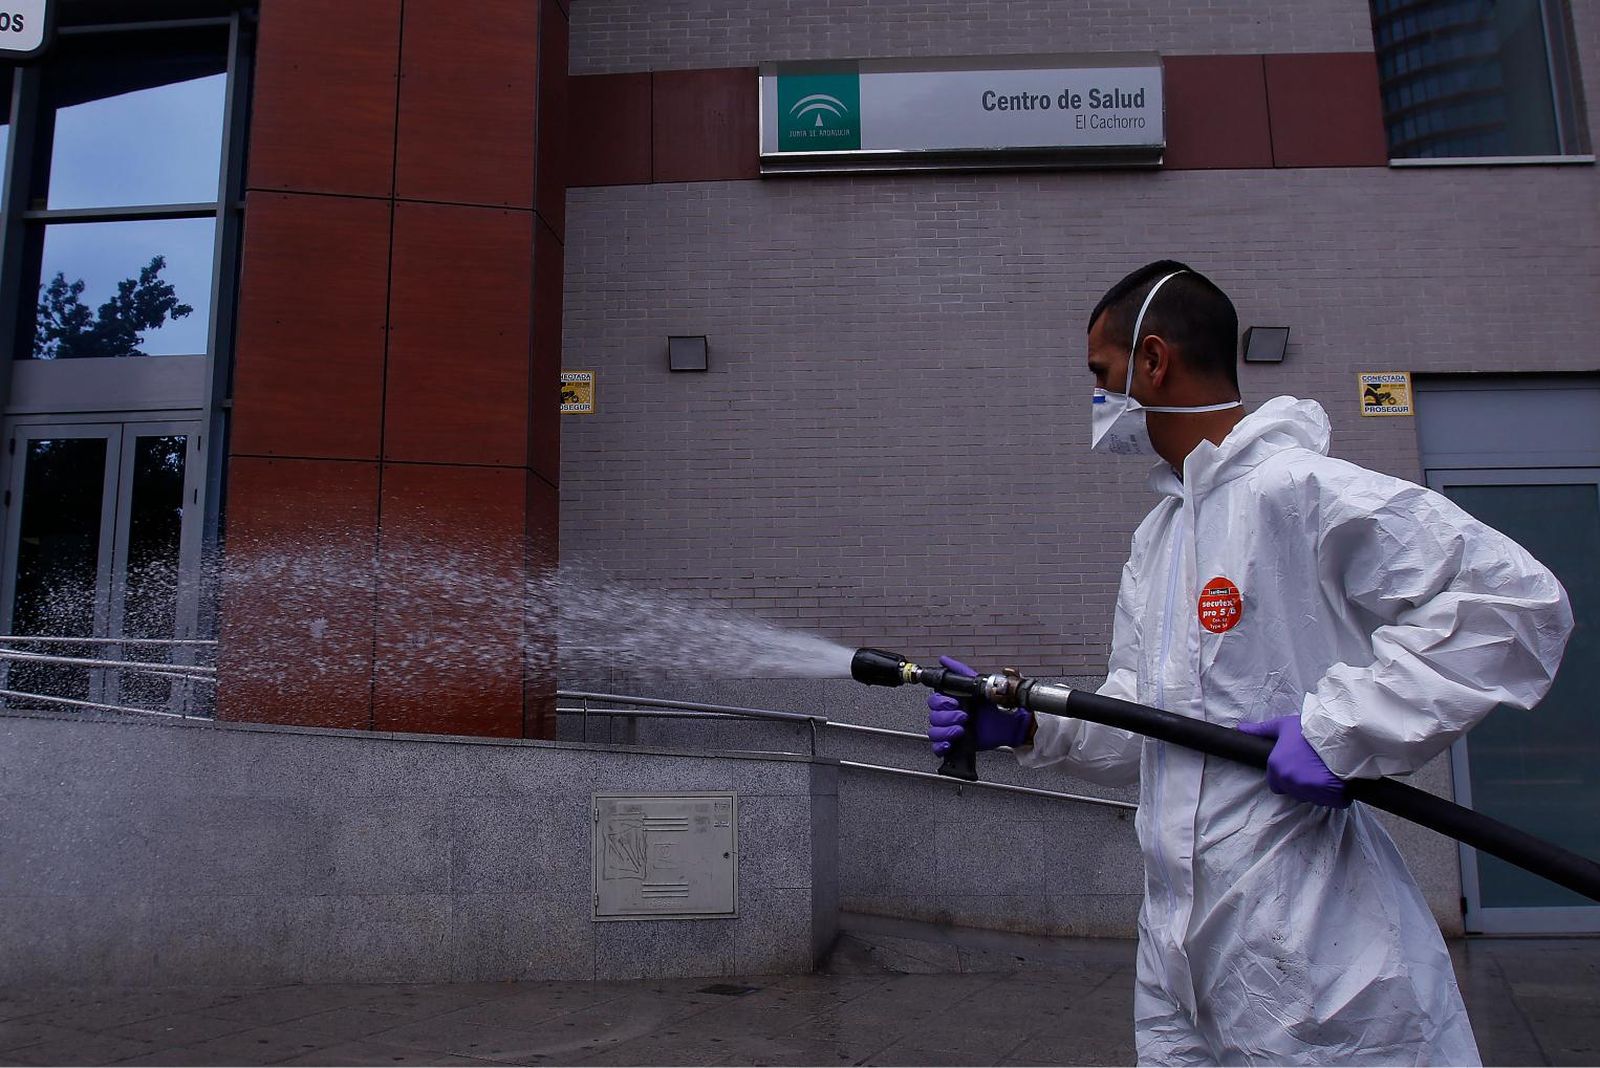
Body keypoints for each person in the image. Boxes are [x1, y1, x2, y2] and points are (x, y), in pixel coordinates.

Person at [927, 261, 1573, 1066]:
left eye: (1102, 374)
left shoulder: (1298, 491)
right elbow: (1144, 718)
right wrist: (1033, 725)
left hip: (1313, 961)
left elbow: (1513, 603)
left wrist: (1341, 731)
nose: (1098, 399)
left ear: (1153, 362)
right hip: (1178, 956)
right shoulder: (1160, 538)